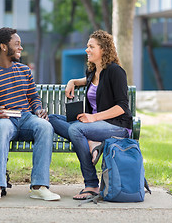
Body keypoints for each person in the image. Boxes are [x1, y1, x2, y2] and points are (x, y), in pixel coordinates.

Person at [0, 27, 60, 201]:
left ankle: (39, 187)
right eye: (17, 44)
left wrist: (38, 109)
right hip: (3, 120)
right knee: (2, 127)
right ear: (4, 47)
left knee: (45, 127)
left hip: (25, 118)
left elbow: (33, 97)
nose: (21, 48)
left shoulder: (25, 71)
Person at [48, 30, 132, 200]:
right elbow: (86, 81)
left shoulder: (116, 72)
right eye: (87, 46)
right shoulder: (93, 72)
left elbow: (122, 106)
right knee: (52, 119)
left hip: (116, 126)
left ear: (103, 50)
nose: (87, 50)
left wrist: (93, 117)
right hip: (93, 127)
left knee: (76, 130)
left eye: (91, 47)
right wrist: (72, 82)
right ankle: (91, 142)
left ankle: (92, 184)